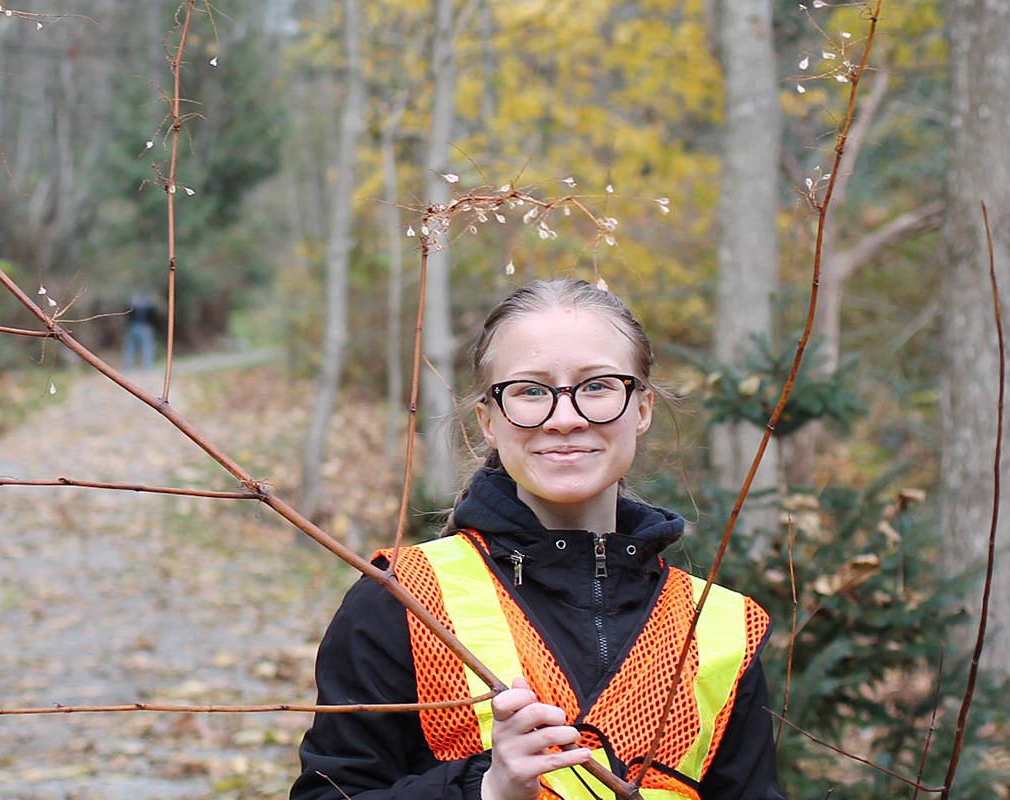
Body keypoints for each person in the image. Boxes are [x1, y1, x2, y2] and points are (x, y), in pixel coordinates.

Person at [291, 279, 785, 800]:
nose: (565, 419)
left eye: (597, 386)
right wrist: (486, 791)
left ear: (642, 409)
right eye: (530, 391)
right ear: (489, 419)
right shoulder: (404, 599)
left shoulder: (719, 628)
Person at [122, 291, 158, 371]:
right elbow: (154, 316)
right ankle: (147, 368)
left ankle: (128, 369)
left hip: (132, 327)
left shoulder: (131, 304)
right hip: (145, 328)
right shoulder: (149, 305)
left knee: (130, 349)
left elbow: (126, 315)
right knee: (147, 348)